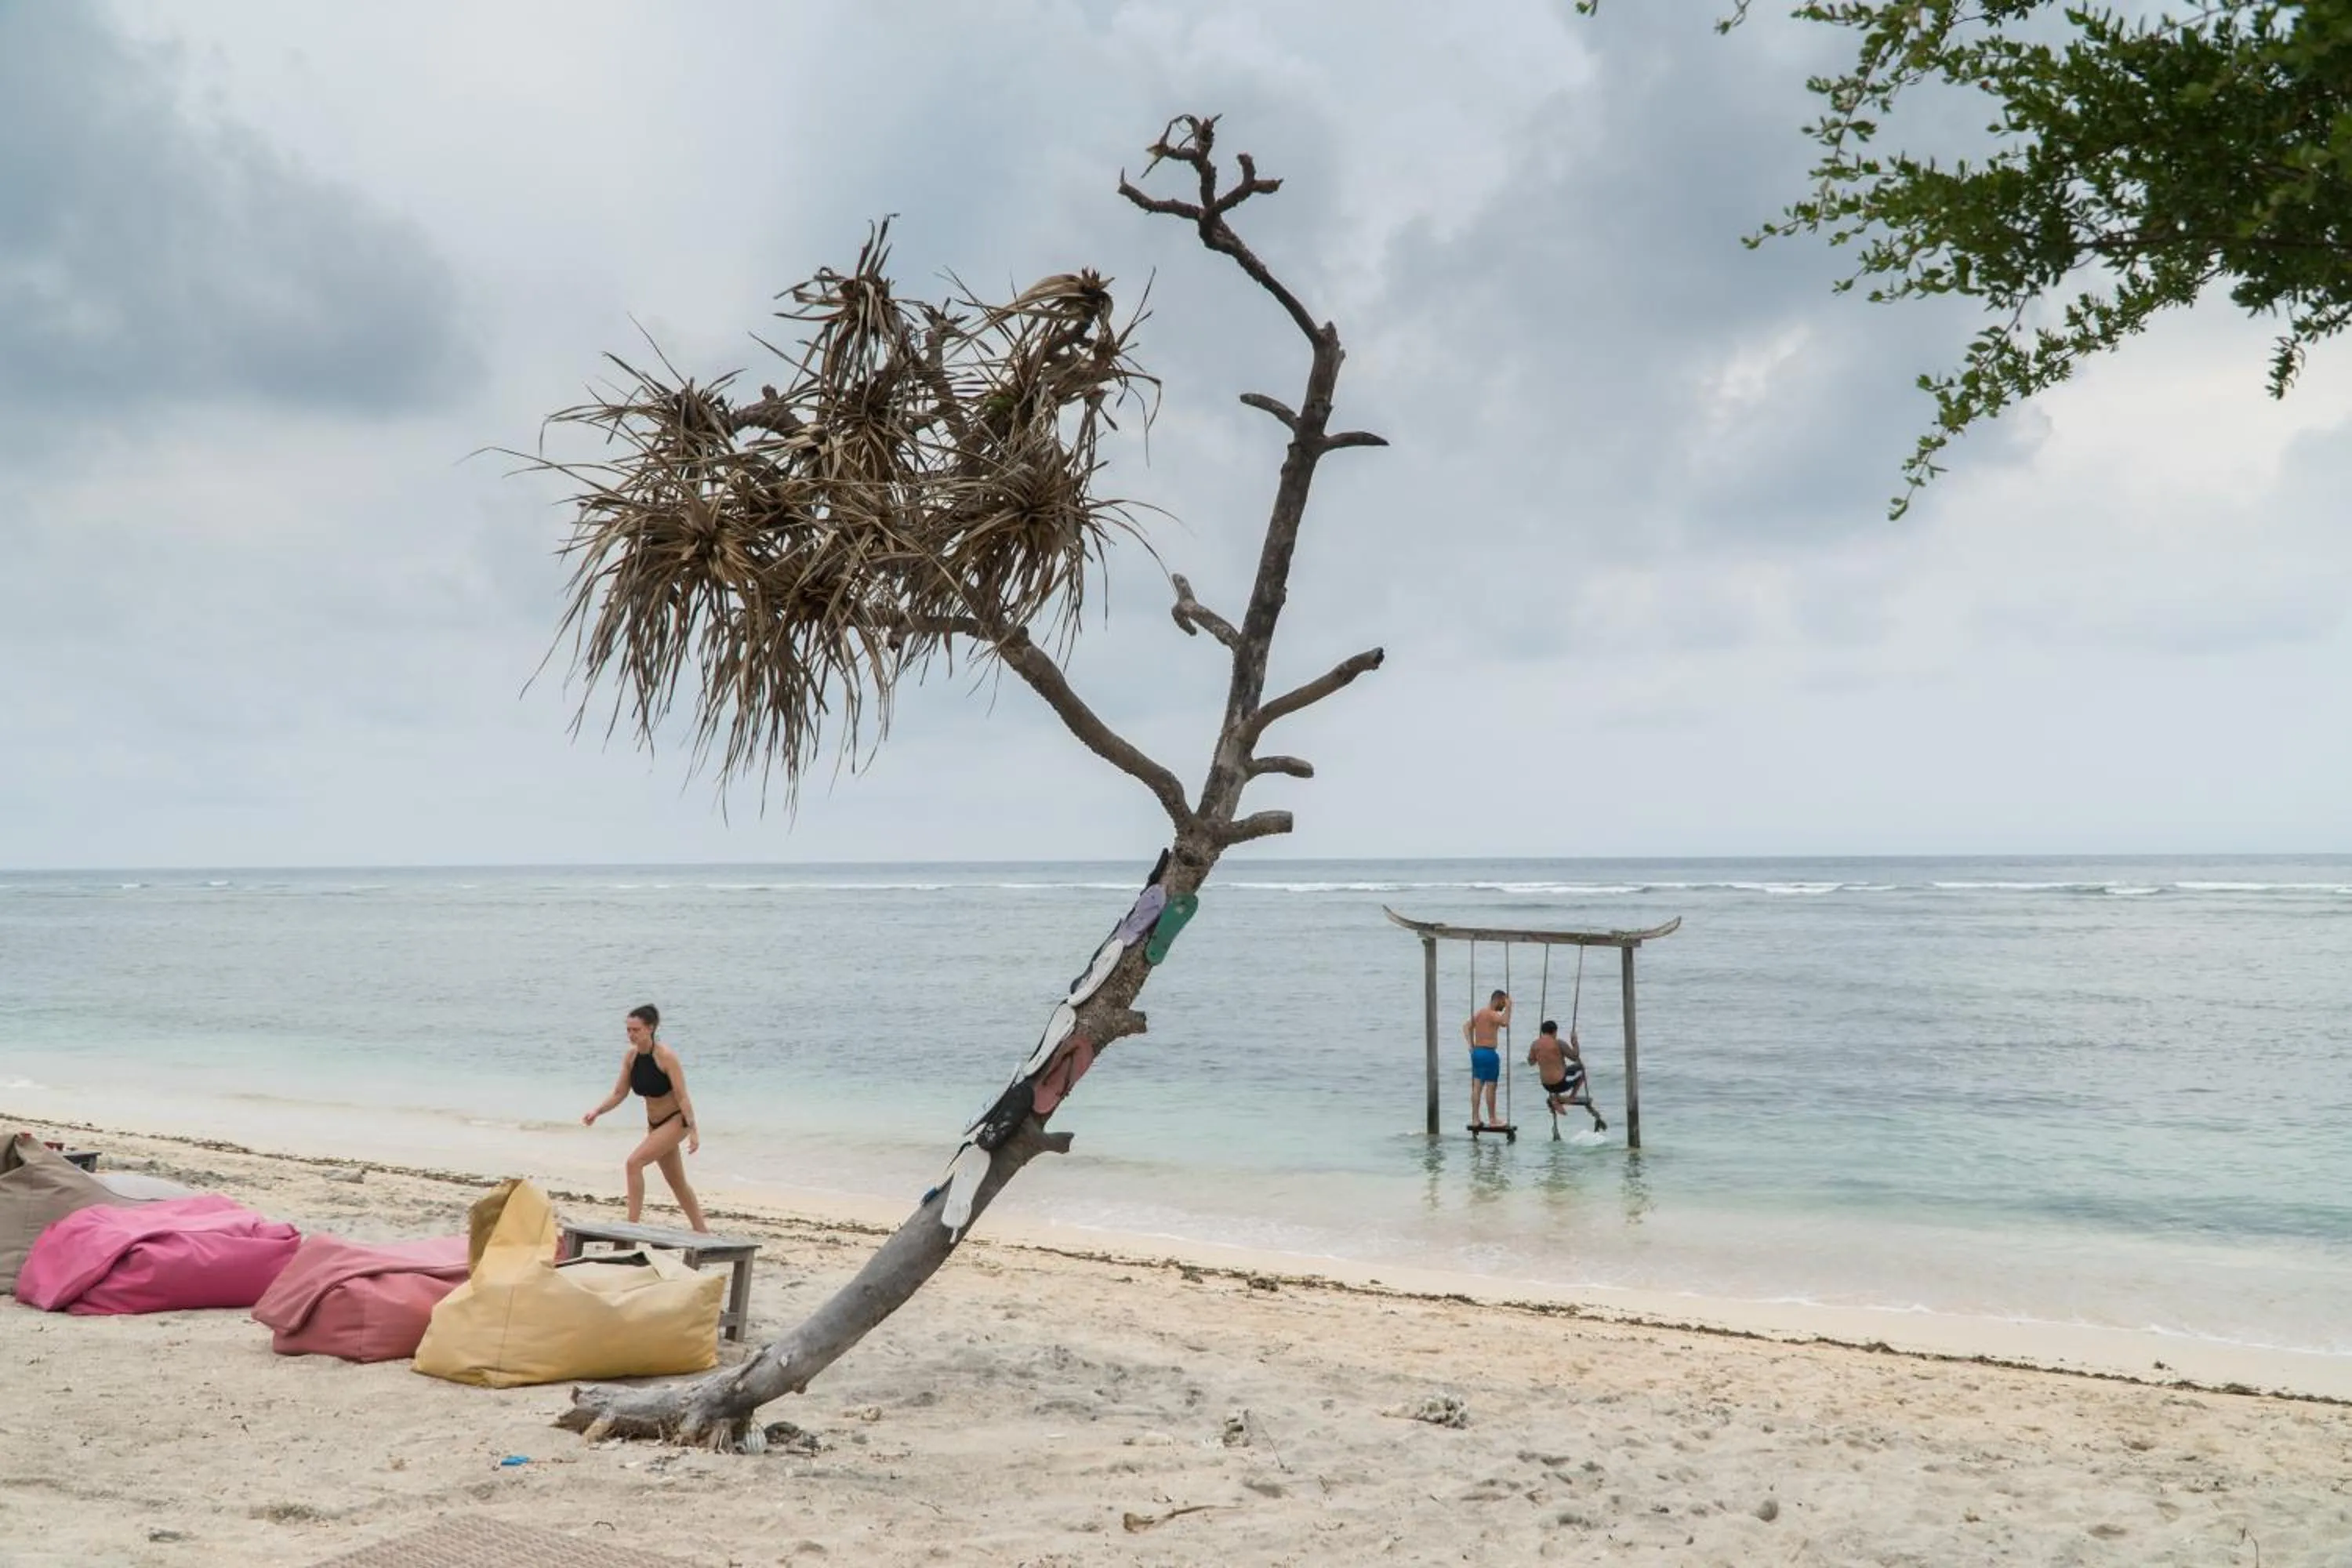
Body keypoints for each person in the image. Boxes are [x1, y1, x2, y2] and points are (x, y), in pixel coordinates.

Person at [582, 1004, 710, 1233]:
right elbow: (619, 1093)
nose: (631, 1035)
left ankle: (631, 1228)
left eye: (636, 1030)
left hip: (676, 1121)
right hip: (655, 1125)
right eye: (628, 1030)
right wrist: (597, 1112)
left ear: (650, 1028)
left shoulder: (666, 1057)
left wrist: (694, 1131)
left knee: (634, 1163)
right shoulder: (631, 1057)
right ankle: (702, 1232)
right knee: (677, 1183)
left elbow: (682, 1096)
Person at [1462, 988, 1511, 1128]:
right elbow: (1505, 1022)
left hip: (1477, 1053)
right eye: (1503, 1003)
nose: (1503, 1007)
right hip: (1489, 1053)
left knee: (1477, 1086)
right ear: (1497, 1000)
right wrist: (1510, 1007)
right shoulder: (1491, 1014)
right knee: (1491, 1087)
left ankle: (1475, 1118)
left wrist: (1471, 1045)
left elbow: (1466, 1026)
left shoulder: (1480, 1013)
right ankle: (1493, 1119)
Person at [1527, 1020, 1591, 1118]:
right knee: (1581, 1068)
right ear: (1554, 1031)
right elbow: (1574, 1057)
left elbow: (1531, 1062)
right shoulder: (1558, 1043)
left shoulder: (1535, 1044)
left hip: (1546, 1086)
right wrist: (1575, 1043)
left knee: (1559, 1070)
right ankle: (1572, 1097)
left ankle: (1556, 1099)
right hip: (1560, 1084)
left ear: (1543, 1032)